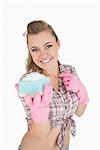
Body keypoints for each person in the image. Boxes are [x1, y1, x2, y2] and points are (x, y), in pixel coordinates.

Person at [15, 20, 89, 150]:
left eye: (48, 46)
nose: (43, 54)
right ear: (30, 52)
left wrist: (82, 92)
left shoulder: (70, 71)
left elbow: (79, 112)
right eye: (35, 49)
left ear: (58, 43)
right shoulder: (30, 82)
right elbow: (39, 135)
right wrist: (40, 115)